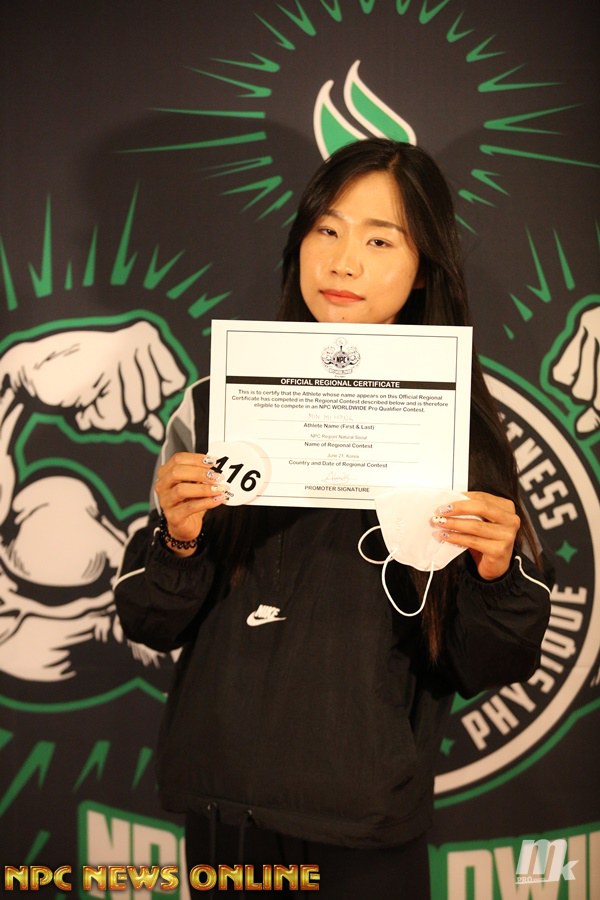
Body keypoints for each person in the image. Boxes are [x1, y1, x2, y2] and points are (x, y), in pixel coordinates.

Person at [114, 139, 552, 898]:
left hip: (364, 822)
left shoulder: (461, 430)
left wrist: (494, 574)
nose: (344, 262)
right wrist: (177, 542)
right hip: (227, 810)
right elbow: (151, 620)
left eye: (380, 240)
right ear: (300, 244)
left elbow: (488, 662)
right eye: (327, 230)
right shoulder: (218, 407)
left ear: (425, 268)